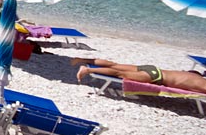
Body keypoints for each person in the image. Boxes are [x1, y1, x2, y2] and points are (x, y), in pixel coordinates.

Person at [73, 58, 206, 94]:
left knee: (115, 65)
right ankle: (87, 70)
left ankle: (84, 60)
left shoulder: (192, 75)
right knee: (120, 74)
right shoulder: (202, 83)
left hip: (153, 69)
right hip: (156, 77)